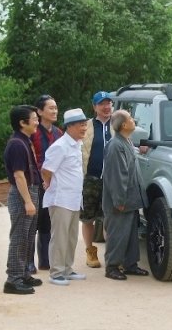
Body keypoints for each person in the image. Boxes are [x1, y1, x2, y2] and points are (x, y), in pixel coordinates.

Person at [41, 108, 91, 286]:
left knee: (71, 236)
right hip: (61, 199)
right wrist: (48, 184)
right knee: (60, 236)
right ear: (69, 126)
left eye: (85, 124)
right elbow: (46, 170)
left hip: (74, 199)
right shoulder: (60, 146)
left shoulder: (76, 144)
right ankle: (56, 272)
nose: (84, 128)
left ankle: (67, 269)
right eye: (80, 125)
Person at [102, 110, 149, 280]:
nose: (133, 120)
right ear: (123, 125)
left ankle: (130, 265)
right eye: (130, 118)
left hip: (130, 199)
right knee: (118, 234)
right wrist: (119, 200)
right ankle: (112, 267)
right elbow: (117, 176)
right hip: (120, 200)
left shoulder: (126, 141)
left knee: (130, 235)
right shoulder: (115, 145)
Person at [2, 105, 43, 295]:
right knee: (19, 237)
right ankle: (13, 279)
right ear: (22, 123)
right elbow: (19, 175)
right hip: (22, 194)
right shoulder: (17, 144)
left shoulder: (24, 141)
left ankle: (25, 274)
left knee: (28, 236)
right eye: (34, 118)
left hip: (30, 191)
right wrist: (28, 201)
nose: (37, 122)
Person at [29, 94, 63, 273]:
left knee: (48, 221)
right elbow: (31, 159)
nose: (55, 111)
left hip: (54, 183)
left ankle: (45, 260)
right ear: (40, 111)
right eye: (51, 108)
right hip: (36, 182)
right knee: (32, 221)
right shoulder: (32, 133)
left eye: (56, 108)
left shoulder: (58, 133)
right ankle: (29, 261)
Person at [80, 91, 113, 268]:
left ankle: (111, 255)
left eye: (108, 103)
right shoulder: (86, 126)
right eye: (102, 104)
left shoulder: (118, 123)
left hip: (111, 179)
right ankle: (90, 252)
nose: (106, 107)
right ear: (94, 107)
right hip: (90, 178)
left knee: (110, 217)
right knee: (88, 218)